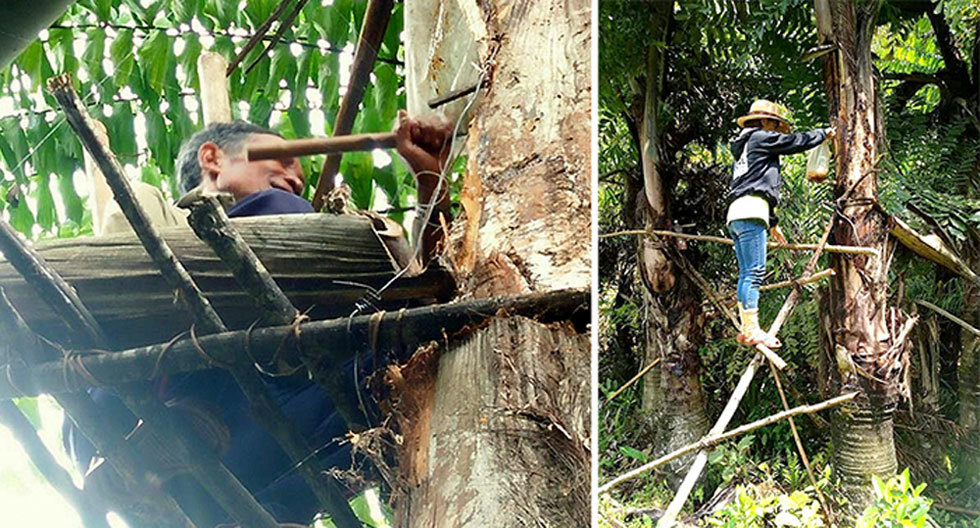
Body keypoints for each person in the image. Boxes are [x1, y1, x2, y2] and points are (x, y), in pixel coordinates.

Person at [66, 110, 453, 526]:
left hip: (246, 440)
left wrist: (428, 175)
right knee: (282, 212)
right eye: (283, 158)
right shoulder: (158, 210)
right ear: (212, 159)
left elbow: (422, 292)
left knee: (403, 360)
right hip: (164, 393)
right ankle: (152, 447)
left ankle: (268, 511)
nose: (297, 176)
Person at [728, 99, 835, 348]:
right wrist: (822, 134)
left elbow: (755, 183)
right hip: (751, 211)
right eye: (774, 125)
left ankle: (747, 328)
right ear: (764, 122)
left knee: (746, 273)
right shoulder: (758, 138)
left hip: (738, 213)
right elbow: (792, 143)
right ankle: (753, 329)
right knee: (754, 272)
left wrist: (772, 222)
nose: (775, 131)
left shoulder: (744, 146)